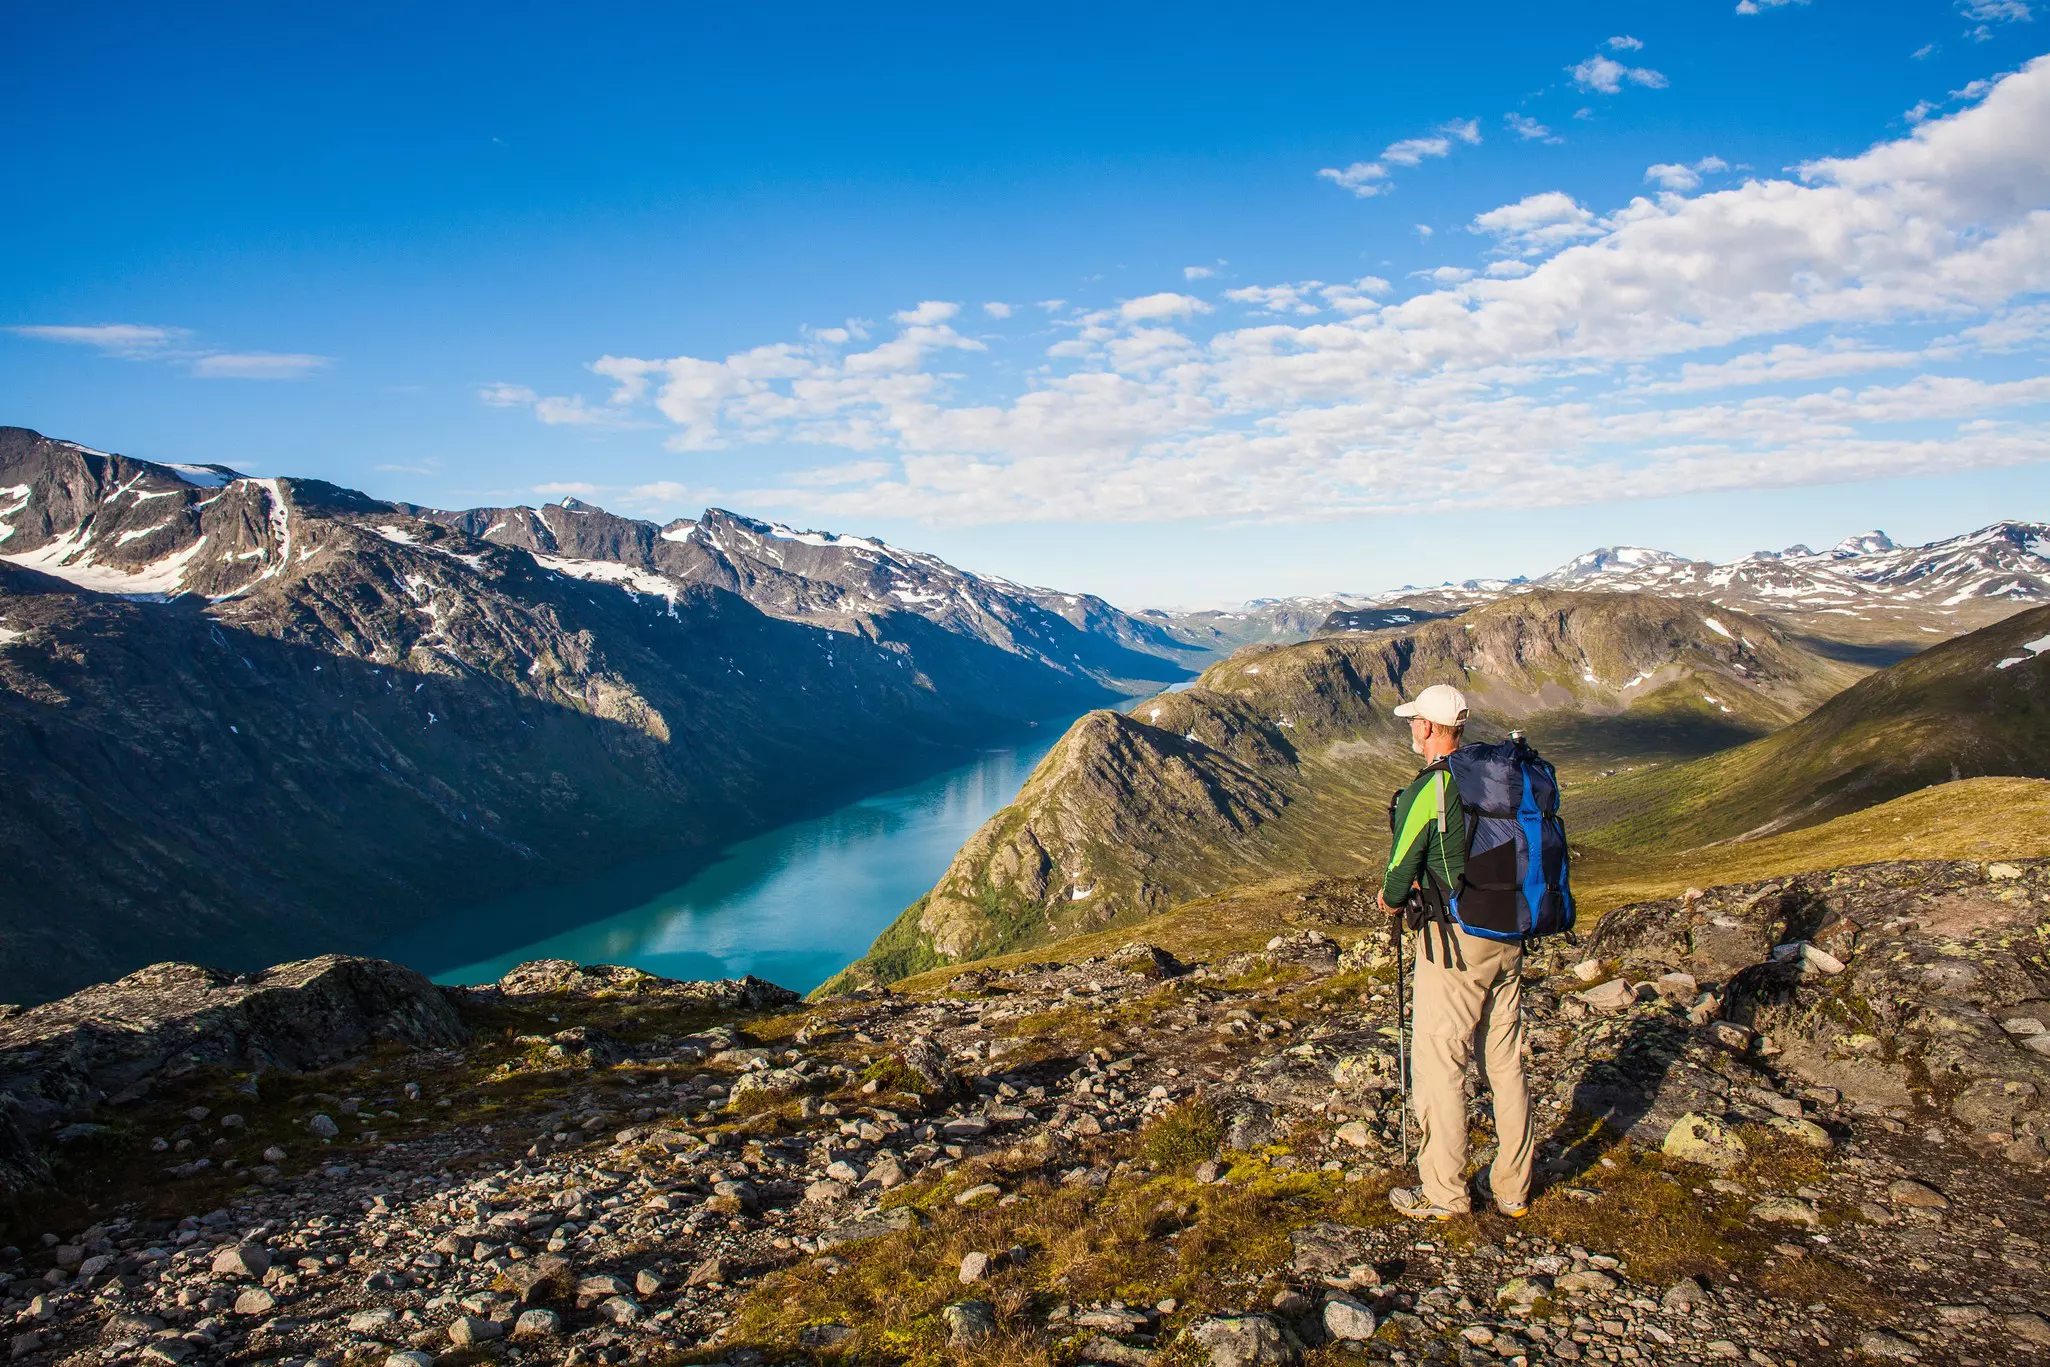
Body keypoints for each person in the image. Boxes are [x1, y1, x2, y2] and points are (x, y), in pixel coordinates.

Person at [1376, 682, 1532, 1221]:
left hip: (1455, 943)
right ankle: (1512, 1188)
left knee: (1441, 1061)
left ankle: (1444, 1194)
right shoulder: (1491, 778)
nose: (1411, 730)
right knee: (1505, 1060)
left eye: (1413, 722)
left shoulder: (1433, 788)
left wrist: (1391, 899)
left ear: (1425, 727)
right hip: (1509, 933)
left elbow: (1400, 869)